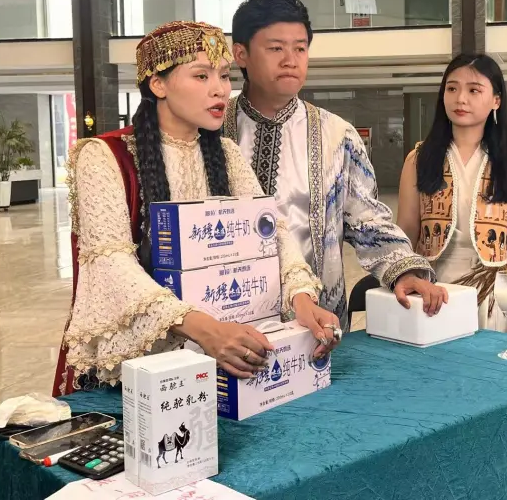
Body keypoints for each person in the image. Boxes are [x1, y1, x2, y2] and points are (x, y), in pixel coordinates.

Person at [52, 20, 340, 397]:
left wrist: (300, 297)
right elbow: (111, 264)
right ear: (158, 85)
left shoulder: (226, 154)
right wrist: (204, 329)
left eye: (224, 75)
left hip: (221, 355)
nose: (220, 89)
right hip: (138, 367)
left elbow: (272, 234)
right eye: (201, 75)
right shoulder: (104, 155)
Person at [223, 0, 447, 325]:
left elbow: (367, 221)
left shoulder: (337, 136)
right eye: (276, 48)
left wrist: (403, 270)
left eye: (300, 48)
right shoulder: (211, 131)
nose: (291, 60)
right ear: (241, 54)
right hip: (227, 325)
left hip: (316, 326)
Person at [396, 53, 507, 335]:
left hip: (489, 290)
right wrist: (403, 277)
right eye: (452, 88)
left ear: (496, 100)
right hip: (433, 289)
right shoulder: (419, 159)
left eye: (474, 90)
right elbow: (406, 230)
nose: (460, 98)